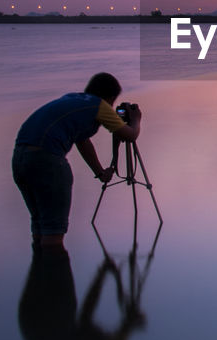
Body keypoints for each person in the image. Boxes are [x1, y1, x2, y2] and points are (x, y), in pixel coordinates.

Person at [12, 72, 141, 247]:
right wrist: (136, 120)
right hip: (48, 161)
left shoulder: (72, 99)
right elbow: (130, 135)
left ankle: (42, 270)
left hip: (20, 158)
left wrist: (101, 173)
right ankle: (56, 270)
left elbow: (82, 140)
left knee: (40, 224)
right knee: (54, 231)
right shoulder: (99, 106)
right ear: (110, 97)